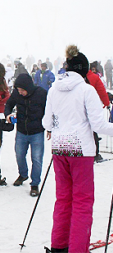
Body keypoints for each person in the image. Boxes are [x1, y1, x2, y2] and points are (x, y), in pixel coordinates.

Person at [42, 45, 113, 253]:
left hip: (60, 148)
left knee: (64, 198)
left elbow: (46, 123)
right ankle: (77, 249)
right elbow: (99, 125)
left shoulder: (54, 89)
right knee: (82, 202)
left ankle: (59, 246)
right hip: (80, 150)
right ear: (83, 70)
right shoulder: (86, 90)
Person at [4, 73, 47, 196]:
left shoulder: (41, 94)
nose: (20, 92)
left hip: (37, 132)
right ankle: (23, 174)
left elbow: (50, 110)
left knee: (37, 159)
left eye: (22, 90)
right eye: (18, 90)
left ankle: (35, 184)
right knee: (19, 155)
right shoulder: (17, 93)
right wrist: (8, 114)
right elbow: (9, 104)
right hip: (22, 130)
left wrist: (49, 127)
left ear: (28, 87)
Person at [87, 61, 110, 162]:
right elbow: (102, 91)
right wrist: (106, 103)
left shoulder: (77, 78)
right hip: (93, 108)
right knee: (94, 130)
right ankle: (95, 154)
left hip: (77, 111)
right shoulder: (94, 77)